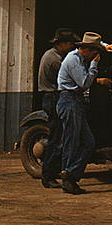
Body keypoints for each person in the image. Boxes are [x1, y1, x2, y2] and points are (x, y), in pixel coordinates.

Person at [56, 31, 112, 195]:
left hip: (75, 102)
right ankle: (68, 178)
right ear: (88, 50)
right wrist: (94, 66)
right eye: (94, 53)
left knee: (88, 142)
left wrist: (106, 46)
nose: (95, 55)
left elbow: (96, 44)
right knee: (72, 141)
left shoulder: (80, 56)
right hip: (70, 101)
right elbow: (84, 83)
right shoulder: (74, 60)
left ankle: (70, 173)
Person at [36, 29, 77, 188]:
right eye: (69, 43)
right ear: (61, 44)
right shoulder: (55, 60)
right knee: (57, 138)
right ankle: (49, 175)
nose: (71, 47)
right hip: (53, 97)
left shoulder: (50, 55)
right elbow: (69, 77)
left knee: (57, 136)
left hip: (50, 97)